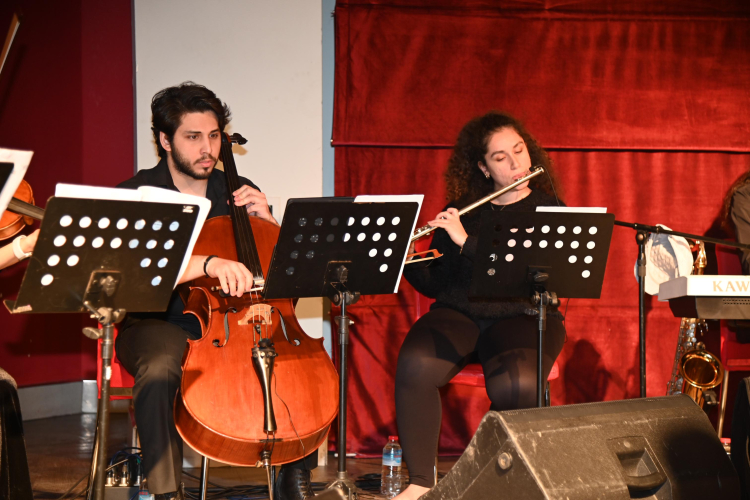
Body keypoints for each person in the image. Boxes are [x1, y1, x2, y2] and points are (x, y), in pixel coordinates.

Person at [115, 82, 317, 500]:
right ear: (165, 140)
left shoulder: (238, 193)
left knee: (298, 359)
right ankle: (167, 491)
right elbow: (133, 276)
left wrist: (271, 226)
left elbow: (283, 284)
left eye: (213, 136)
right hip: (158, 321)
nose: (207, 148)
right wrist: (206, 264)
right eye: (193, 137)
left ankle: (294, 475)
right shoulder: (137, 195)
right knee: (159, 367)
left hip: (236, 321)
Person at [395, 111, 567, 499]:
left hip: (523, 314)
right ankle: (422, 482)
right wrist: (407, 259)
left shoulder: (550, 208)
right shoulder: (465, 208)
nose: (516, 162)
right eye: (500, 157)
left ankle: (504, 484)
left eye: (519, 150)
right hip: (461, 312)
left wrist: (466, 242)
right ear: (483, 167)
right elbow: (440, 280)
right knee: (415, 363)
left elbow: (527, 274)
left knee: (518, 384)